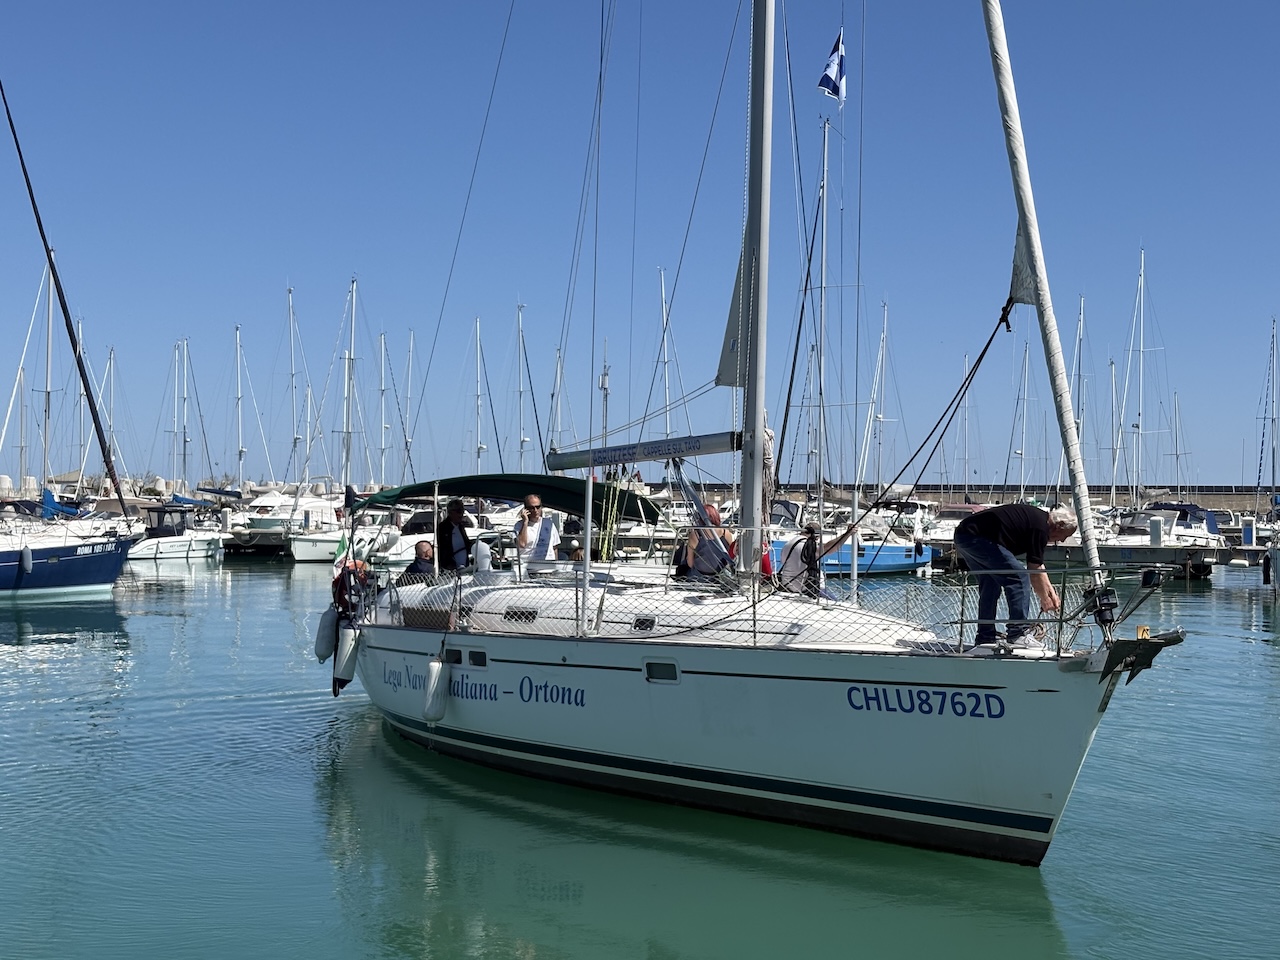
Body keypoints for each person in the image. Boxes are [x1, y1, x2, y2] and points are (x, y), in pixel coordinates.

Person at [951, 503, 1077, 646]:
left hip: (964, 535)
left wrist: (1051, 595)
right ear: (1059, 525)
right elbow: (1033, 570)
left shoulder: (1040, 522)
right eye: (1064, 536)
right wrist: (1044, 599)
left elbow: (1038, 566)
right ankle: (1017, 634)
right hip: (976, 537)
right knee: (1019, 577)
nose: (1061, 541)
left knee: (991, 584)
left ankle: (985, 637)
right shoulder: (1040, 528)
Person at [777, 522, 857, 598]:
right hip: (806, 589)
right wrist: (847, 534)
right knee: (836, 603)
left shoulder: (788, 544)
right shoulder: (808, 545)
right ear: (816, 536)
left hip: (787, 585)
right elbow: (828, 548)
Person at [675, 504, 735, 580]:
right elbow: (732, 554)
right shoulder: (725, 533)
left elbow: (690, 563)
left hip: (698, 577)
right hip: (720, 577)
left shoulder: (695, 535)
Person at [514, 494, 559, 567]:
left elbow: (555, 547)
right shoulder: (519, 525)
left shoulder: (549, 523)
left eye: (538, 507)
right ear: (526, 509)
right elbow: (522, 544)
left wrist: (556, 565)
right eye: (531, 508)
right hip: (528, 568)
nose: (535, 510)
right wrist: (525, 522)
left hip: (548, 567)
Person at [435, 499, 473, 571]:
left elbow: (466, 543)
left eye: (462, 511)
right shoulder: (443, 528)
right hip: (451, 569)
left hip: (464, 566)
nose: (461, 514)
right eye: (459, 511)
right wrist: (449, 565)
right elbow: (442, 549)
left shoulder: (460, 526)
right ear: (450, 512)